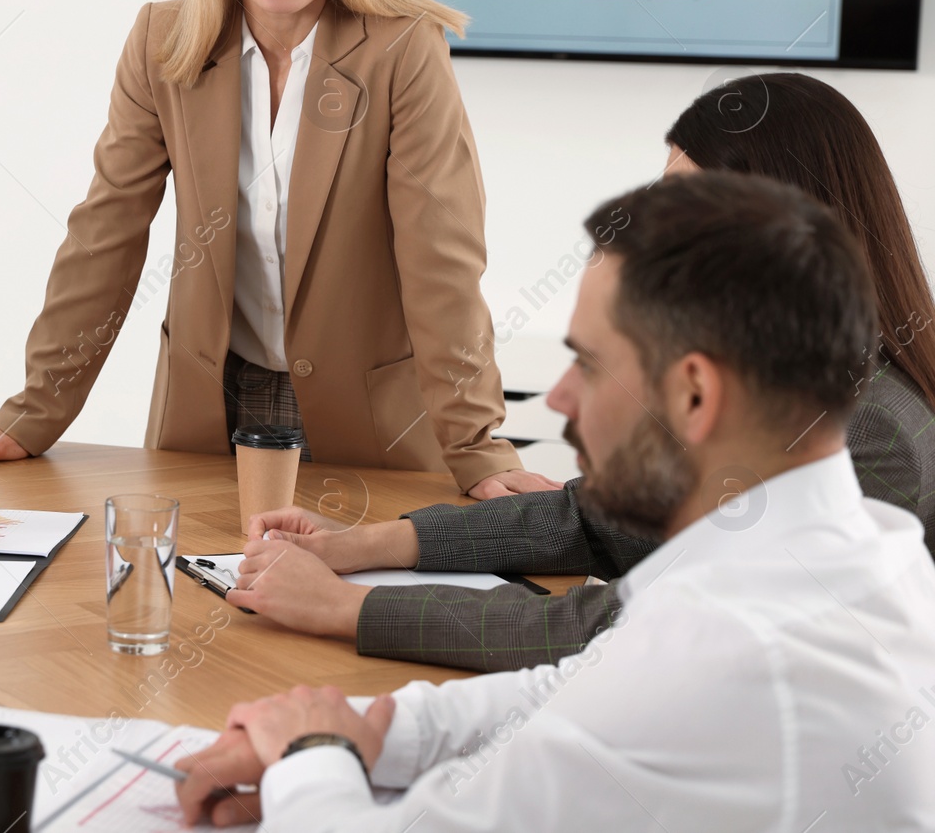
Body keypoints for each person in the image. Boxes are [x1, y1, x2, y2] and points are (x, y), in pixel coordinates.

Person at [175, 171, 935, 830]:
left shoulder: (723, 654)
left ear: (696, 392)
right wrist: (372, 733)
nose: (563, 397)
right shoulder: (872, 540)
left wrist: (312, 752)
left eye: (589, 364)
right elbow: (577, 684)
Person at [0, 0, 557, 500]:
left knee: (339, 604)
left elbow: (440, 263)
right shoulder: (162, 42)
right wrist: (36, 411)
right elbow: (106, 234)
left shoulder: (403, 50)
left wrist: (477, 449)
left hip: (370, 421)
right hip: (211, 410)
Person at [227, 72, 935, 671]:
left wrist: (349, 606)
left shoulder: (871, 431)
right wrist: (358, 544)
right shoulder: (759, 363)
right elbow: (604, 519)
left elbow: (637, 629)